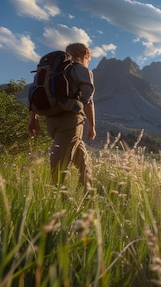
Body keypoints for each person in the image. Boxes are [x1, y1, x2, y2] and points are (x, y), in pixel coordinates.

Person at [28, 43, 96, 192]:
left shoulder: (51, 69)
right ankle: (58, 200)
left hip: (50, 118)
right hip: (71, 121)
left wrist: (32, 118)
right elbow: (87, 99)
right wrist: (91, 125)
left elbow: (35, 91)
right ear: (85, 56)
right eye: (89, 59)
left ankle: (88, 192)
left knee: (79, 157)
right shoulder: (81, 69)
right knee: (58, 163)